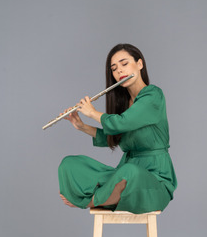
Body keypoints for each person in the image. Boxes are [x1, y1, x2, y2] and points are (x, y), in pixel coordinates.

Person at [58, 43, 177, 214]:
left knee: (128, 173)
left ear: (140, 64)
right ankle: (110, 197)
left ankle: (90, 201)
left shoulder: (153, 95)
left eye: (124, 63)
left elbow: (121, 123)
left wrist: (92, 113)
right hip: (125, 173)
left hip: (155, 182)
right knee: (69, 164)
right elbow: (115, 137)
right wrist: (82, 126)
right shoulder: (123, 105)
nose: (119, 71)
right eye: (114, 68)